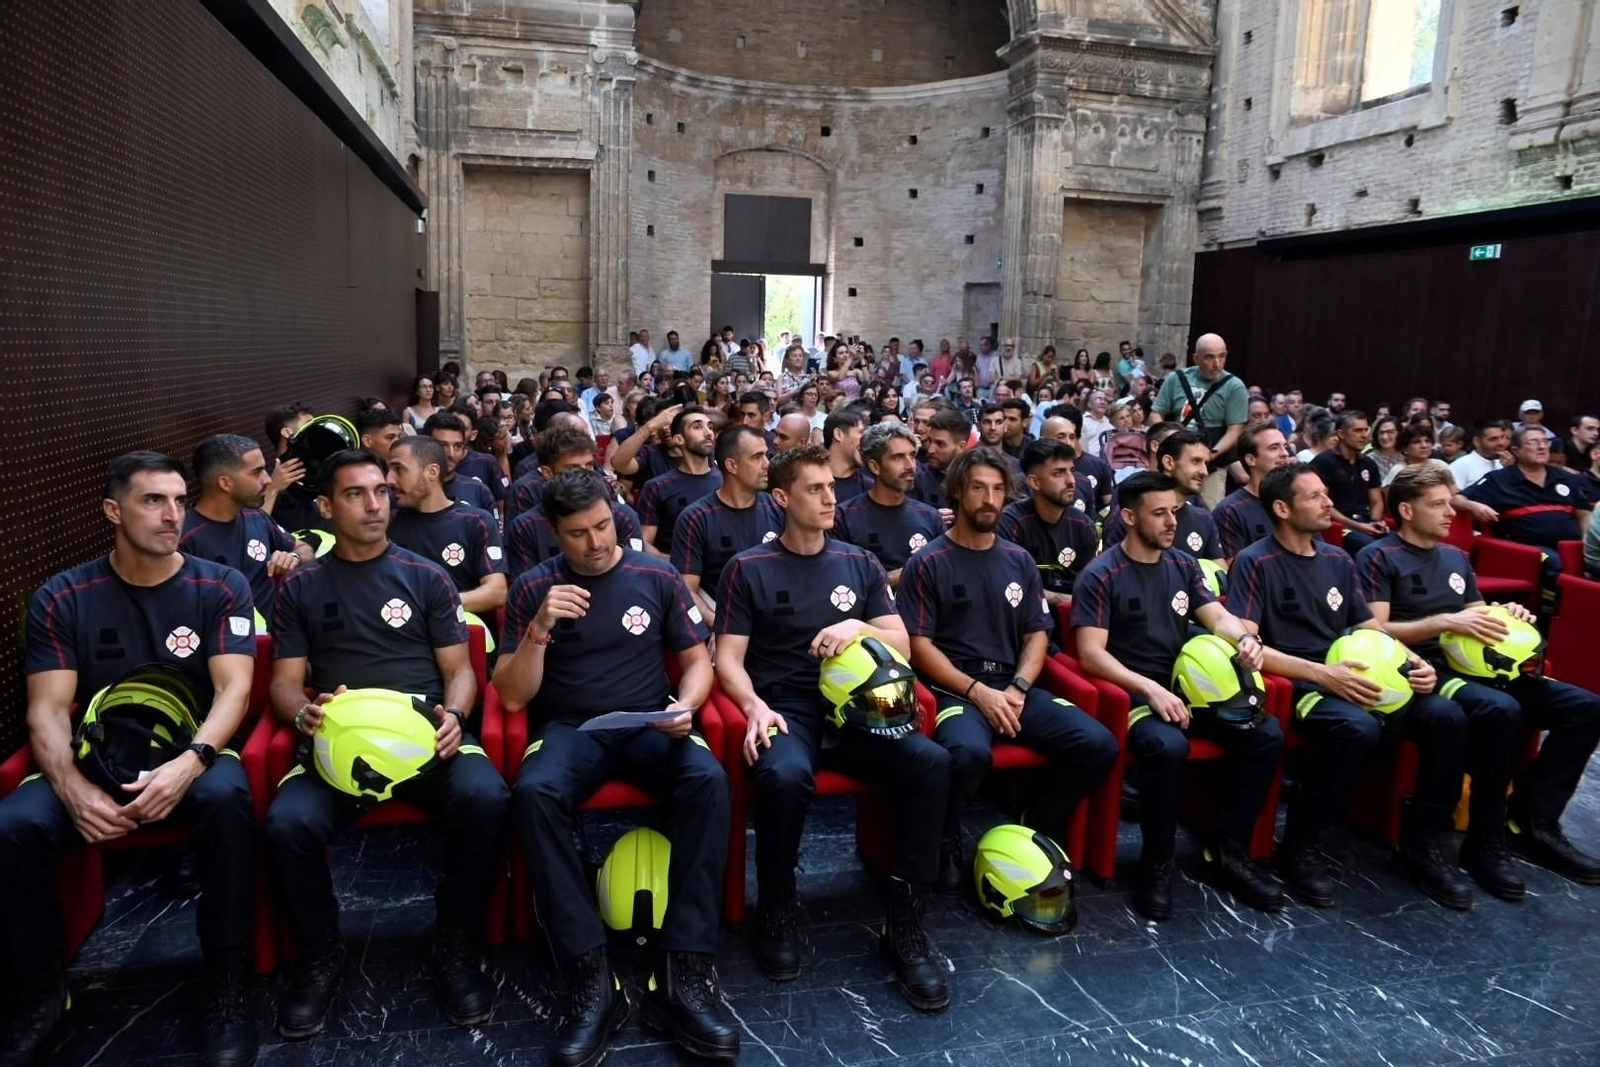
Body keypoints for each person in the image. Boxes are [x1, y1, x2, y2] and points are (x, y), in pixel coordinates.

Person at [0, 452, 258, 1066]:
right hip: (96, 755)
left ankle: (227, 982)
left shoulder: (221, 584)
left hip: (192, 751)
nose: (173, 515)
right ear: (114, 511)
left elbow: (235, 690)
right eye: (152, 501)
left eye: (177, 500)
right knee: (12, 826)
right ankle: (38, 990)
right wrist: (70, 787)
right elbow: (46, 709)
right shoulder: (63, 595)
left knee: (228, 799)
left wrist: (191, 762)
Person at [264, 450, 508, 1040]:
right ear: (325, 507)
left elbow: (461, 669)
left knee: (490, 799)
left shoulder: (427, 576)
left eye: (380, 491)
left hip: (426, 737)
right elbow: (284, 683)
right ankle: (321, 958)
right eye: (356, 494)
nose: (375, 504)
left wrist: (455, 714)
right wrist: (303, 712)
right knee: (286, 824)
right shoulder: (300, 587)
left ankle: (455, 948)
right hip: (339, 744)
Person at [496, 469, 737, 1063]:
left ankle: (686, 971)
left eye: (603, 526)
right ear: (555, 532)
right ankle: (589, 975)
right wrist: (539, 630)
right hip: (571, 729)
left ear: (616, 516)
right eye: (578, 533)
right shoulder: (535, 587)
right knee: (534, 794)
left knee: (707, 780)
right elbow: (510, 696)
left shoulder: (652, 573)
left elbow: (697, 659)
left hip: (649, 720)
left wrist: (687, 704)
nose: (596, 542)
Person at [714, 446, 952, 1010]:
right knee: (783, 775)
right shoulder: (747, 567)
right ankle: (777, 905)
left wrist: (856, 625)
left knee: (931, 762)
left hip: (860, 708)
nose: (829, 499)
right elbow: (726, 659)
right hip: (786, 705)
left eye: (830, 488)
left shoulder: (859, 563)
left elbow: (900, 641)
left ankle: (906, 921)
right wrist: (752, 706)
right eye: (814, 489)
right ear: (781, 498)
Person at [1227, 463, 1474, 910]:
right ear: (1282, 508)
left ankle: (1421, 844)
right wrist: (1323, 674)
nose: (1329, 504)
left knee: (1445, 715)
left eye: (1327, 494)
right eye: (1316, 497)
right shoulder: (1255, 560)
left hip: (1357, 672)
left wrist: (1415, 662)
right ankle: (1300, 847)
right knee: (1358, 728)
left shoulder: (1339, 559)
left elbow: (1370, 628)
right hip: (1299, 682)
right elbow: (1250, 646)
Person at [1358, 464, 1600, 894]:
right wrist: (1446, 621)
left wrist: (1507, 616)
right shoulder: (1378, 556)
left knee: (1586, 707)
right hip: (1426, 667)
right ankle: (1469, 840)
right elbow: (1375, 630)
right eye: (1438, 505)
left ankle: (1531, 819)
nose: (1451, 512)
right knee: (1500, 710)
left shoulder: (1455, 557)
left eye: (1450, 502)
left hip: (1481, 664)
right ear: (1407, 510)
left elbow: (1477, 614)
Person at [899, 448, 1117, 891]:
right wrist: (979, 692)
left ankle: (1038, 821)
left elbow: (1037, 634)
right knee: (967, 756)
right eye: (979, 488)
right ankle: (946, 835)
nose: (989, 499)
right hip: (953, 688)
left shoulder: (1018, 560)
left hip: (1013, 683)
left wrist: (1018, 685)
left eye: (998, 490)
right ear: (959, 492)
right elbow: (918, 647)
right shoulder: (928, 562)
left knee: (1097, 744)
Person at [1073, 471, 1284, 918]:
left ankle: (1225, 849)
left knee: (1266, 735)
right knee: (1166, 748)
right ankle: (1157, 863)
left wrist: (1244, 639)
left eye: (1176, 512)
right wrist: (1147, 688)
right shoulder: (1101, 574)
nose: (1173, 522)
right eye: (1160, 513)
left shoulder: (1183, 565)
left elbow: (1217, 617)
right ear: (1129, 517)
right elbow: (1091, 655)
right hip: (1134, 696)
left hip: (1194, 688)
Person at [180, 434, 309, 634]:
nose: (268, 479)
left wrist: (293, 557)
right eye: (257, 472)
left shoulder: (256, 517)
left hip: (284, 640)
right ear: (225, 483)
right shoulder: (185, 538)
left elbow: (304, 549)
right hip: (228, 653)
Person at [386, 436, 508, 629]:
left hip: (464, 635)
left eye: (398, 469)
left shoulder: (476, 521)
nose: (389, 480)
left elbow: (497, 592)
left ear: (432, 472)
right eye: (388, 470)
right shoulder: (388, 522)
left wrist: (434, 606)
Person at [672, 425, 785, 629]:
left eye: (766, 455)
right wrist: (719, 624)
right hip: (723, 619)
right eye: (757, 457)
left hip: (777, 619)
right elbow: (685, 588)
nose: (767, 464)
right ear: (732, 466)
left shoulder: (777, 507)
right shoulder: (696, 518)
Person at [1463, 427, 1596, 583]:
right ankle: (1557, 606)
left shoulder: (1567, 478)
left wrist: (1588, 544)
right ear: (1516, 451)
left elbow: (1584, 514)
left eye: (1545, 441)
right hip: (1525, 548)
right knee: (1556, 563)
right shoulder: (1498, 480)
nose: (1541, 447)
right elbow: (1456, 499)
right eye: (1533, 442)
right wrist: (1474, 506)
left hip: (1570, 546)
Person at [834, 423, 945, 588]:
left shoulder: (930, 517)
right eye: (898, 457)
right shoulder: (844, 517)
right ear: (874, 466)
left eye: (912, 455)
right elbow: (843, 582)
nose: (910, 466)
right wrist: (905, 574)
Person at [998, 439, 1100, 610]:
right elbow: (1009, 586)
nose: (1071, 481)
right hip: (1023, 616)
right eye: (1058, 473)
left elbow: (1090, 590)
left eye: (1071, 471)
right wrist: (1061, 599)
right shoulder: (1010, 522)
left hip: (1074, 618)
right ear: (1034, 482)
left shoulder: (1084, 526)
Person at [1152, 333, 1248, 507]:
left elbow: (1235, 430)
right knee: (1165, 505)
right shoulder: (1176, 379)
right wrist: (1165, 444)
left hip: (1211, 461)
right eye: (1209, 357)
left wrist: (1209, 455)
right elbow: (1156, 413)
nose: (1217, 363)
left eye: (1221, 356)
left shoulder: (1234, 386)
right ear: (1196, 358)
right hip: (1176, 457)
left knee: (1209, 509)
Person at [1102, 429, 1223, 563]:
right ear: (1169, 462)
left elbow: (1220, 572)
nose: (1204, 472)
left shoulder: (1204, 518)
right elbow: (1110, 572)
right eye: (1196, 461)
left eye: (1206, 464)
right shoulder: (1130, 515)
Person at [639, 406, 722, 558]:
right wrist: (677, 566)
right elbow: (644, 543)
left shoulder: (726, 481)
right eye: (697, 427)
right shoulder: (657, 487)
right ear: (678, 439)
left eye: (710, 427)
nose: (708, 432)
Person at [1310, 410, 1387, 555]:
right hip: (1340, 526)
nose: (1364, 435)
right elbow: (1322, 504)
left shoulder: (1368, 463)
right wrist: (1359, 526)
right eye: (1358, 430)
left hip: (1365, 521)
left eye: (1366, 430)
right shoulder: (1324, 462)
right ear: (1341, 434)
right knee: (1371, 548)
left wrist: (1375, 521)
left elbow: (1376, 501)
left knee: (1396, 543)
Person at [1214, 422, 1292, 560]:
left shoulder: (1297, 502)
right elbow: (1235, 571)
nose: (1285, 454)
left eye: (1285, 447)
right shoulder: (1230, 510)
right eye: (1274, 448)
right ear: (1251, 459)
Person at [424, 412, 498, 515]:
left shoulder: (479, 491)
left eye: (457, 446)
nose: (451, 454)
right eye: (442, 445)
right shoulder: (410, 491)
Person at [911, 407, 970, 510]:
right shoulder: (917, 477)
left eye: (940, 444)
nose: (931, 450)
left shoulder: (975, 478)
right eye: (930, 441)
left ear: (961, 447)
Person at [824, 407, 873, 501]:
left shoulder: (869, 489)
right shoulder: (811, 481)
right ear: (838, 434)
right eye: (862, 432)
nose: (867, 439)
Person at [1449, 419, 1510, 490]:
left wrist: (1510, 470)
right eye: (1493, 439)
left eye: (1503, 437)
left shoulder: (1504, 464)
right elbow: (1454, 497)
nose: (1501, 443)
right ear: (1477, 442)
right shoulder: (1461, 465)